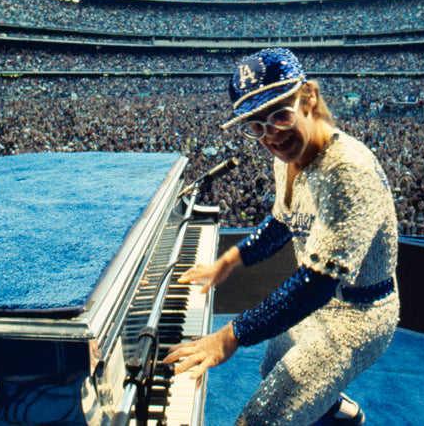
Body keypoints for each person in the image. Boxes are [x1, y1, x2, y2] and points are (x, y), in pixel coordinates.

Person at [163, 48, 400, 425]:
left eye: (280, 115)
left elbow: (315, 285)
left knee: (262, 418)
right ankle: (336, 412)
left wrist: (231, 334)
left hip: (359, 315)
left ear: (309, 98)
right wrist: (227, 262)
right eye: (255, 125)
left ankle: (324, 402)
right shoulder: (286, 159)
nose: (271, 135)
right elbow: (281, 224)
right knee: (271, 368)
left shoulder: (349, 173)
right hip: (323, 300)